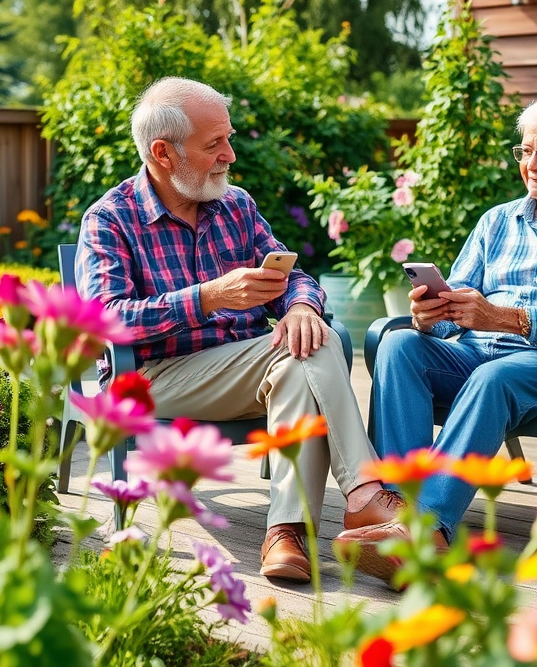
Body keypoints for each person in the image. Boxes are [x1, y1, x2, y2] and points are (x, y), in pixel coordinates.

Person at [75, 76, 402, 584]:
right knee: (314, 349)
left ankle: (287, 534)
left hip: (244, 368)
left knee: (305, 348)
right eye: (214, 144)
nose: (230, 154)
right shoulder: (110, 219)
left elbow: (295, 277)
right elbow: (106, 320)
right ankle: (364, 495)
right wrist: (208, 297)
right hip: (151, 378)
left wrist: (300, 307)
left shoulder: (236, 205)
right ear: (163, 152)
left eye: (228, 138)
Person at [335, 92, 537, 582]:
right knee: (399, 346)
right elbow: (455, 312)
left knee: (493, 377)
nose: (532, 164)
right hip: (482, 355)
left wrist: (509, 319)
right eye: (524, 151)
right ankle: (393, 513)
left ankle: (429, 532)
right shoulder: (498, 221)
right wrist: (430, 314)